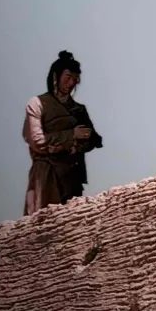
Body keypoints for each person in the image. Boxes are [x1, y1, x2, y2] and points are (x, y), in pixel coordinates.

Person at [22, 50, 103, 214]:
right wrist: (72, 136)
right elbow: (37, 141)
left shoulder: (79, 110)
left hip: (72, 177)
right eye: (67, 77)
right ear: (56, 76)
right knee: (43, 221)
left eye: (75, 79)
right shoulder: (37, 103)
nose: (71, 83)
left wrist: (84, 140)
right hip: (46, 175)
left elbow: (93, 140)